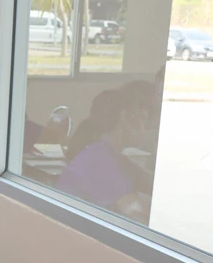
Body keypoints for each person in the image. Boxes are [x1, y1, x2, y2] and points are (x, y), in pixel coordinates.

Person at [56, 81, 157, 225]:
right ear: (127, 118)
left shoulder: (109, 154)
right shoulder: (101, 161)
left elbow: (150, 183)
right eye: (144, 119)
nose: (146, 130)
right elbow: (137, 212)